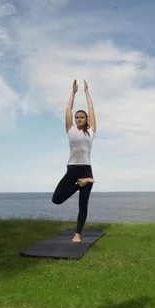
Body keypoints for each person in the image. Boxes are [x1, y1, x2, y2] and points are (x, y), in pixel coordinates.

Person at [51, 79, 97, 243]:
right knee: (56, 199)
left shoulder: (91, 131)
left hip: (86, 169)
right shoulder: (70, 130)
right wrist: (73, 92)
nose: (78, 119)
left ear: (86, 119)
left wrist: (86, 92)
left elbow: (91, 108)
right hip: (72, 169)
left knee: (83, 204)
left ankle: (77, 234)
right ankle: (81, 184)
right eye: (76, 117)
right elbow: (67, 109)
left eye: (81, 117)